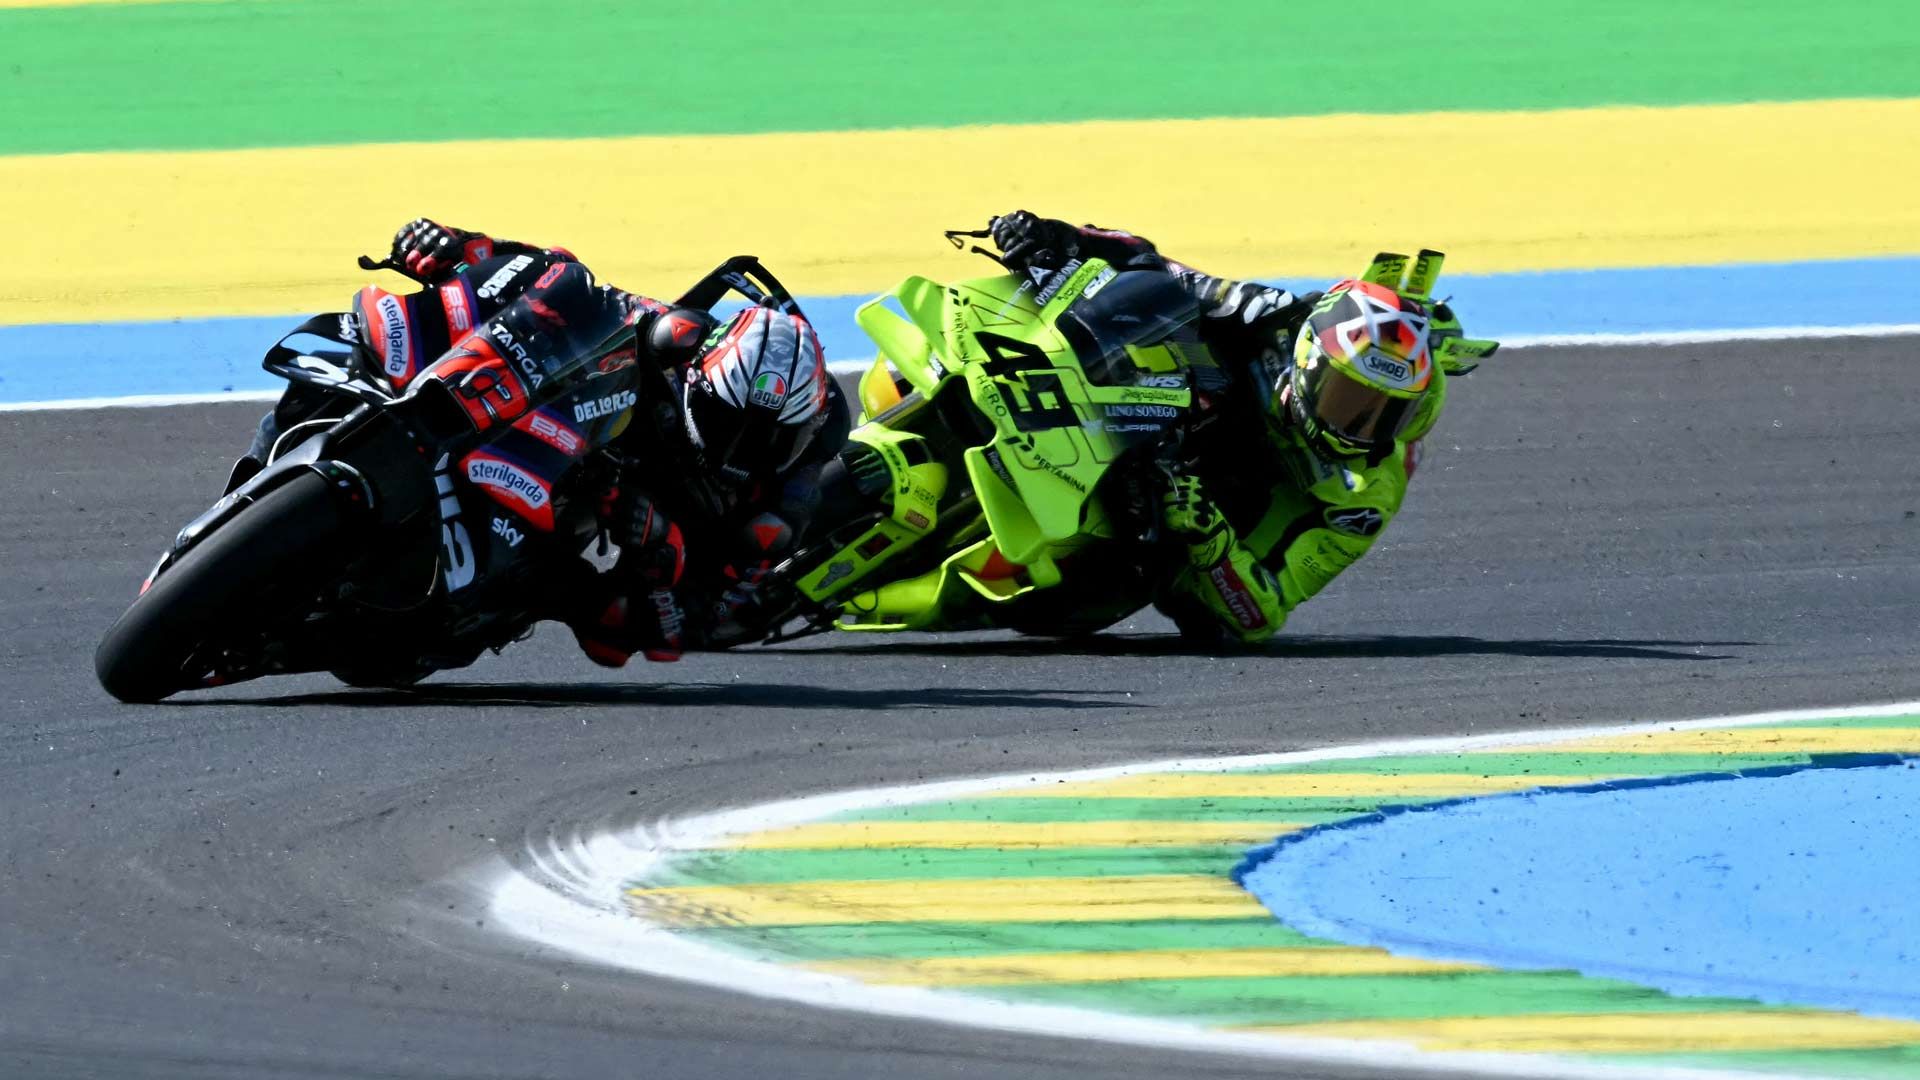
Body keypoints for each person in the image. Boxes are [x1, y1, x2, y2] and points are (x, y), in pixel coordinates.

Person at [245, 218, 849, 665]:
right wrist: (463, 248)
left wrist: (657, 554)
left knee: (608, 622)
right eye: (728, 424)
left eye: (769, 440)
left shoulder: (783, 498)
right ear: (698, 373)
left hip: (564, 531)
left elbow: (695, 623)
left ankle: (450, 599)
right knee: (364, 348)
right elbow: (559, 281)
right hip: (521, 428)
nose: (742, 450)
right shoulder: (667, 337)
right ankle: (260, 472)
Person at [983, 210, 1492, 644]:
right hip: (1137, 409)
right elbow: (1160, 269)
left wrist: (1211, 538)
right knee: (1156, 308)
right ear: (1309, 359)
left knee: (1191, 614)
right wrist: (1054, 237)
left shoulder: (1365, 495)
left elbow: (1262, 616)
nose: (1357, 424)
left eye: (1385, 414)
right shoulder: (1275, 317)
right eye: (1348, 398)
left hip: (1179, 526)